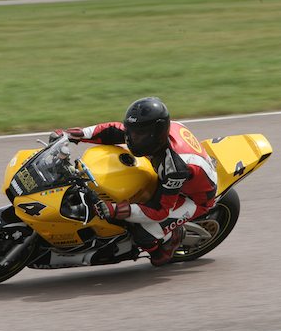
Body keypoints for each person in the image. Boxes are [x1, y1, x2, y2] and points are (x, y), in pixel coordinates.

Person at [56, 97, 218, 266]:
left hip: (194, 197)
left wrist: (116, 209)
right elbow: (113, 130)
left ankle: (170, 242)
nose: (131, 138)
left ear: (156, 134)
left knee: (142, 232)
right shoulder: (152, 133)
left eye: (138, 134)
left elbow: (159, 211)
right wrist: (74, 135)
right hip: (171, 175)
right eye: (131, 131)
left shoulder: (175, 167)